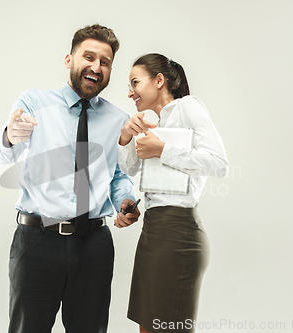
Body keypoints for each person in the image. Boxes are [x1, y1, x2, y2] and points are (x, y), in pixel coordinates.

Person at [0, 24, 140, 333]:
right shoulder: (34, 103)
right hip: (36, 241)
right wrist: (10, 135)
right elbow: (5, 150)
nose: (96, 67)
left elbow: (116, 175)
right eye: (89, 56)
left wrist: (125, 201)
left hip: (94, 246)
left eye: (105, 62)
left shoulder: (118, 120)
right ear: (69, 60)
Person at [115, 53, 229, 333]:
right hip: (153, 231)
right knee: (147, 328)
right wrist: (126, 137)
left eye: (135, 82)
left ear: (159, 80)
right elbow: (129, 169)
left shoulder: (188, 107)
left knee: (169, 328)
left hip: (179, 233)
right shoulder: (157, 123)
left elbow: (219, 164)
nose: (130, 93)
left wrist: (163, 150)